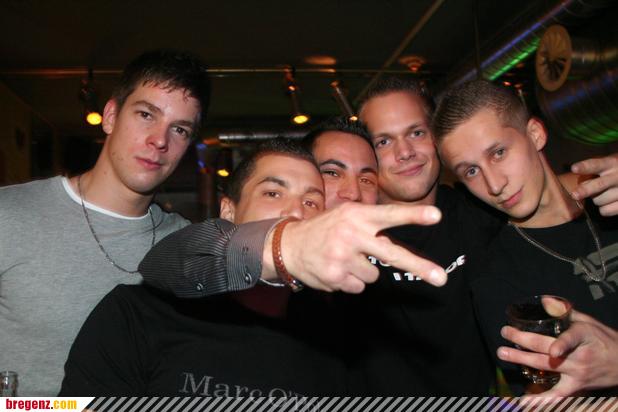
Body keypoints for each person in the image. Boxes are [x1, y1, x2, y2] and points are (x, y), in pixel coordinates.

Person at [60, 139, 348, 396]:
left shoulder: (335, 338)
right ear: (229, 211)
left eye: (311, 202)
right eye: (272, 193)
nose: (296, 211)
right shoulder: (139, 314)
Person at [0, 49, 211, 396]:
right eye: (146, 114)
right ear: (110, 116)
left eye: (179, 129)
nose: (160, 140)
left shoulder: (188, 248)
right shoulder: (9, 214)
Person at [433, 79, 618, 396]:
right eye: (471, 171)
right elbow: (544, 399)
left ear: (535, 134)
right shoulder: (497, 279)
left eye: (498, 152)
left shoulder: (609, 196)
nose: (494, 185)